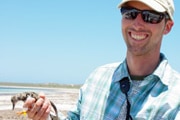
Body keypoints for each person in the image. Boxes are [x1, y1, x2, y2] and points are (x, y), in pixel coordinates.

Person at [24, 0, 180, 119]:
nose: (137, 23)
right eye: (130, 13)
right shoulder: (97, 78)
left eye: (150, 16)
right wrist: (45, 116)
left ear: (167, 26)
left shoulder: (176, 99)